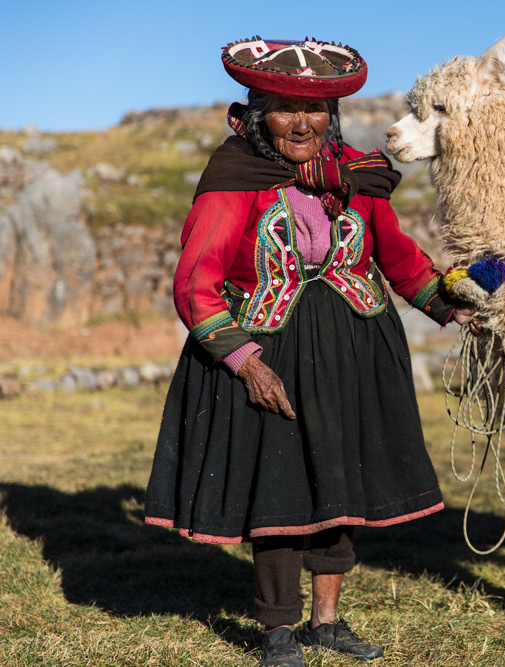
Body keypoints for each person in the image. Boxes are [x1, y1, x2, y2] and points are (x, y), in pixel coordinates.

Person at [144, 37, 473, 666]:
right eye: (285, 110)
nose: (303, 124)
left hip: (354, 343)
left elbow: (396, 257)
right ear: (256, 114)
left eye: (317, 111)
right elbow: (195, 281)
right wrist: (243, 361)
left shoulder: (354, 173)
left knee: (339, 481)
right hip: (268, 351)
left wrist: (449, 307)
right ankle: (276, 630)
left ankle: (327, 621)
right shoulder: (235, 176)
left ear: (334, 115)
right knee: (281, 487)